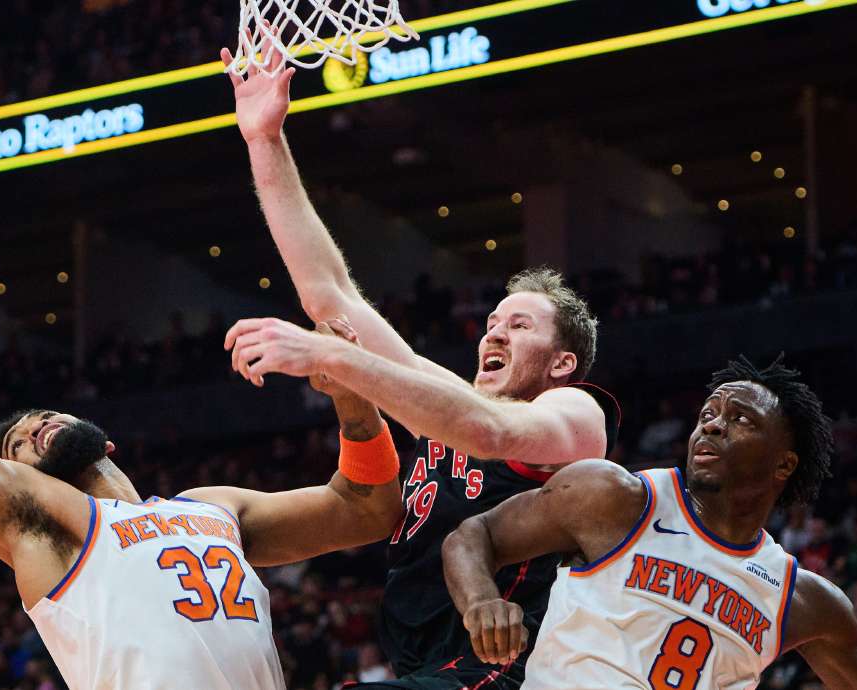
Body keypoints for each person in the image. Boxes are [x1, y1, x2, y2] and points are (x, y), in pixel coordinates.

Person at [0, 130, 404, 690]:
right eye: (15, 444)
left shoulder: (212, 508)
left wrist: (352, 401)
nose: (31, 426)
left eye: (39, 416)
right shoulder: (41, 523)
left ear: (108, 440)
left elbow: (367, 510)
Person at [221, 46, 619, 687]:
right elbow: (330, 296)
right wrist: (264, 139)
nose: (495, 332)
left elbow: (489, 433)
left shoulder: (576, 414)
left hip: (512, 662)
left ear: (562, 362)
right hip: (426, 661)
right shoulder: (444, 401)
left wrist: (330, 354)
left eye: (519, 326)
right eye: (492, 323)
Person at [442, 356, 857, 689]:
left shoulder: (800, 599)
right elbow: (471, 536)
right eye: (707, 415)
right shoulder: (614, 498)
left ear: (783, 465)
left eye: (740, 418)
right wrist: (480, 601)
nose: (712, 426)